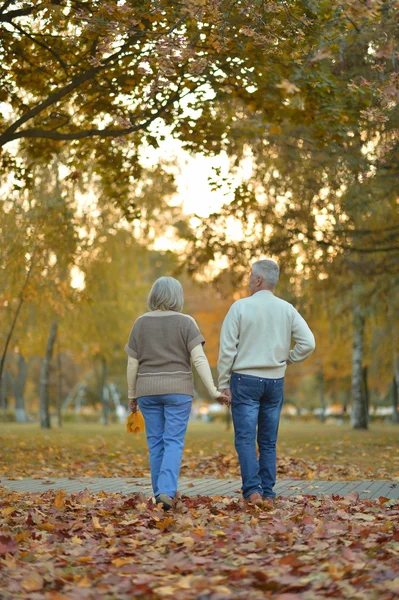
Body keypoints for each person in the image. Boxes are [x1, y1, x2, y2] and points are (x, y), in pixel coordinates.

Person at [218, 260, 315, 507]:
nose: (249, 281)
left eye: (251, 276)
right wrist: (287, 359)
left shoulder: (239, 307)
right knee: (268, 441)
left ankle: (253, 492)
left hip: (245, 380)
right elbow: (308, 343)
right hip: (274, 381)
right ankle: (268, 494)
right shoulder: (287, 309)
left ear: (259, 280)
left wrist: (223, 382)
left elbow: (227, 349)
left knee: (245, 438)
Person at [125, 276, 225, 511]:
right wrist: (212, 389)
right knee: (173, 441)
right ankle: (166, 492)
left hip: (147, 391)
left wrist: (131, 394)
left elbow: (132, 364)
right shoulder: (186, 322)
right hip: (178, 390)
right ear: (177, 297)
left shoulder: (140, 323)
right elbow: (198, 358)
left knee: (155, 442)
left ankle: (161, 491)